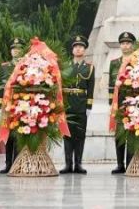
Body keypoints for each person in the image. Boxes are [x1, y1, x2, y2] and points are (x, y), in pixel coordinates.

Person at [61, 35, 95, 174]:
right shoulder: (65, 67)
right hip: (68, 104)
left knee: (80, 135)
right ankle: (68, 164)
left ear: (85, 50)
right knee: (67, 135)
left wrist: (89, 106)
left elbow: (91, 88)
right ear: (72, 50)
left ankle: (78, 164)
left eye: (81, 46)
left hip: (81, 104)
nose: (78, 49)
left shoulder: (89, 68)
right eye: (76, 46)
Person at [108, 31, 136, 174]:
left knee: (131, 134)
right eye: (123, 43)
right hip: (118, 103)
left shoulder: (136, 62)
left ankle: (130, 163)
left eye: (128, 43)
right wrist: (110, 103)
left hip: (132, 103)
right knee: (119, 134)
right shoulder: (114, 63)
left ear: (132, 45)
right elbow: (110, 86)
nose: (125, 46)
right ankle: (120, 164)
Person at [0, 38, 25, 174]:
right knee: (8, 135)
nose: (16, 51)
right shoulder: (5, 66)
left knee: (19, 134)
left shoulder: (26, 65)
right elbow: (0, 86)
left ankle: (16, 163)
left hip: (21, 103)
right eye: (14, 49)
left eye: (19, 49)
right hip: (7, 104)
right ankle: (8, 164)